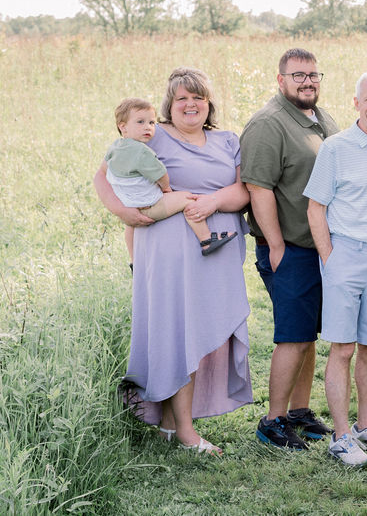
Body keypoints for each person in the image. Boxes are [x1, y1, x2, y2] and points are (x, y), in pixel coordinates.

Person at [94, 67, 252, 456]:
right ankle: (184, 429)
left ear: (208, 102)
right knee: (180, 332)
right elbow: (104, 177)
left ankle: (170, 422)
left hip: (217, 247)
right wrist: (124, 213)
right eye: (181, 97)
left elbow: (243, 191)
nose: (190, 104)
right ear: (169, 103)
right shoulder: (152, 133)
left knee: (202, 330)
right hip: (167, 251)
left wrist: (212, 201)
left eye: (197, 96)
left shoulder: (227, 140)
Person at [304, 70, 367, 467]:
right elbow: (316, 207)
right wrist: (330, 258)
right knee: (343, 348)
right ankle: (341, 437)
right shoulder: (336, 147)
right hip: (344, 253)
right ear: (356, 103)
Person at [240, 48, 339, 451]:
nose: (307, 81)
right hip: (290, 248)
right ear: (280, 80)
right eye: (298, 75)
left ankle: (299, 411)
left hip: (318, 246)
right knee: (292, 337)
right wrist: (276, 244)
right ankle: (273, 420)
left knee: (308, 335)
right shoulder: (269, 124)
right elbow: (258, 189)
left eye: (313, 74)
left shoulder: (320, 118)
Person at [106, 98, 236, 262]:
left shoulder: (116, 147)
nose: (148, 127)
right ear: (123, 126)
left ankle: (134, 260)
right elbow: (160, 173)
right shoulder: (141, 152)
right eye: (140, 122)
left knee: (130, 226)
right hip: (149, 203)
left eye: (152, 123)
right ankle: (206, 239)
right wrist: (166, 188)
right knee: (187, 199)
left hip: (130, 203)